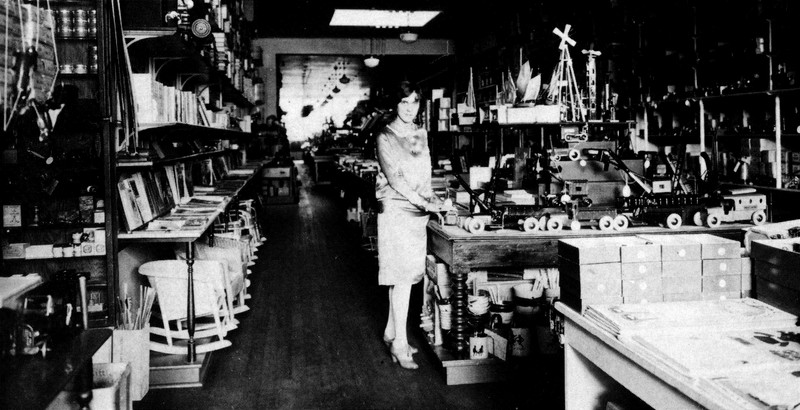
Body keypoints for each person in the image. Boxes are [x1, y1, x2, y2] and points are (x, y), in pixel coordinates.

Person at [375, 81, 449, 370]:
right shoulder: (385, 136)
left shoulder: (419, 132)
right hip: (396, 209)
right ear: (395, 104)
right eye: (404, 102)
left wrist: (434, 200)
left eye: (414, 102)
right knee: (403, 277)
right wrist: (426, 202)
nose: (409, 108)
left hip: (418, 211)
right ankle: (400, 344)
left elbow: (422, 172)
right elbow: (395, 179)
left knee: (402, 275)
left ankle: (391, 332)